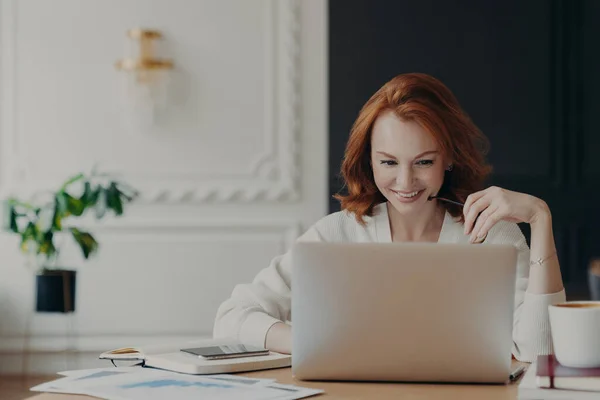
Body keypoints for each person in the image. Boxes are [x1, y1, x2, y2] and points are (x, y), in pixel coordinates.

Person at [213, 73, 566, 362]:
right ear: (369, 160)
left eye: (424, 162)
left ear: (449, 158)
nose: (405, 182)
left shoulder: (493, 235)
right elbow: (231, 318)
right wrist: (313, 342)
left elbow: (540, 350)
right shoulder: (337, 234)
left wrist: (539, 217)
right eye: (389, 162)